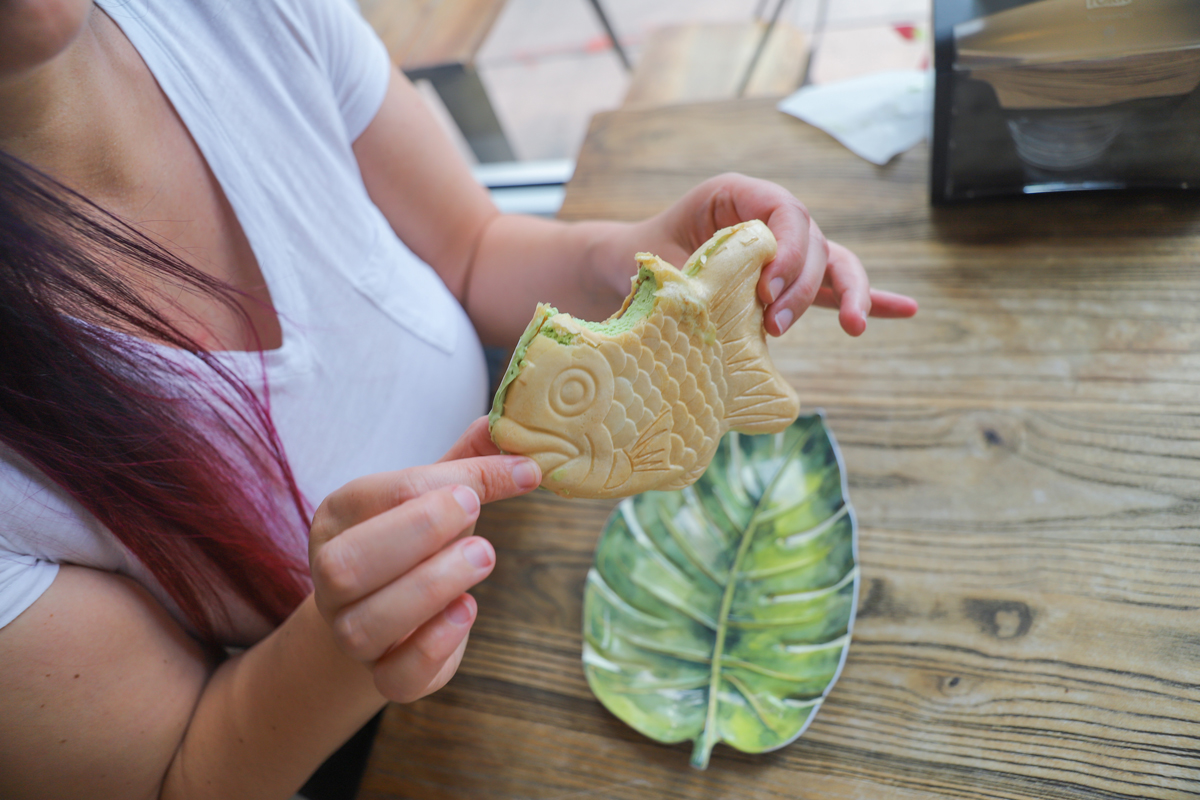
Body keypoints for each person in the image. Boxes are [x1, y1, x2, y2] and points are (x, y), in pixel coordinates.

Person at [0, 0, 918, 798]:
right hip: (388, 733)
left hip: (547, 539)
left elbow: (473, 246)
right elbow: (177, 778)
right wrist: (337, 643)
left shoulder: (246, 13)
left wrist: (638, 263)